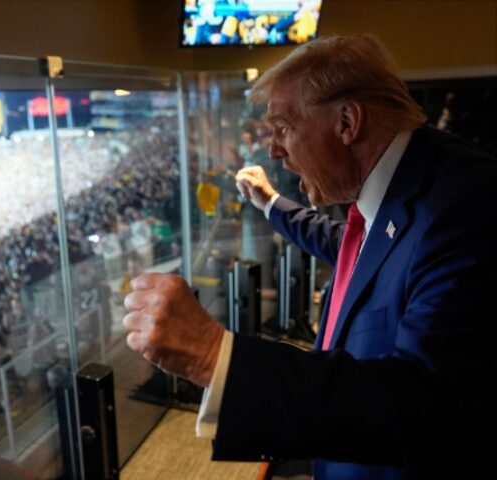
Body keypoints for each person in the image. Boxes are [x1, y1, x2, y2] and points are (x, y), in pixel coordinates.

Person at [122, 33, 495, 478]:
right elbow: (352, 247)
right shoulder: (408, 182)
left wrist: (212, 354)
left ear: (347, 122)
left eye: (282, 128)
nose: (274, 149)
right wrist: (270, 202)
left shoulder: (465, 205)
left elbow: (425, 402)